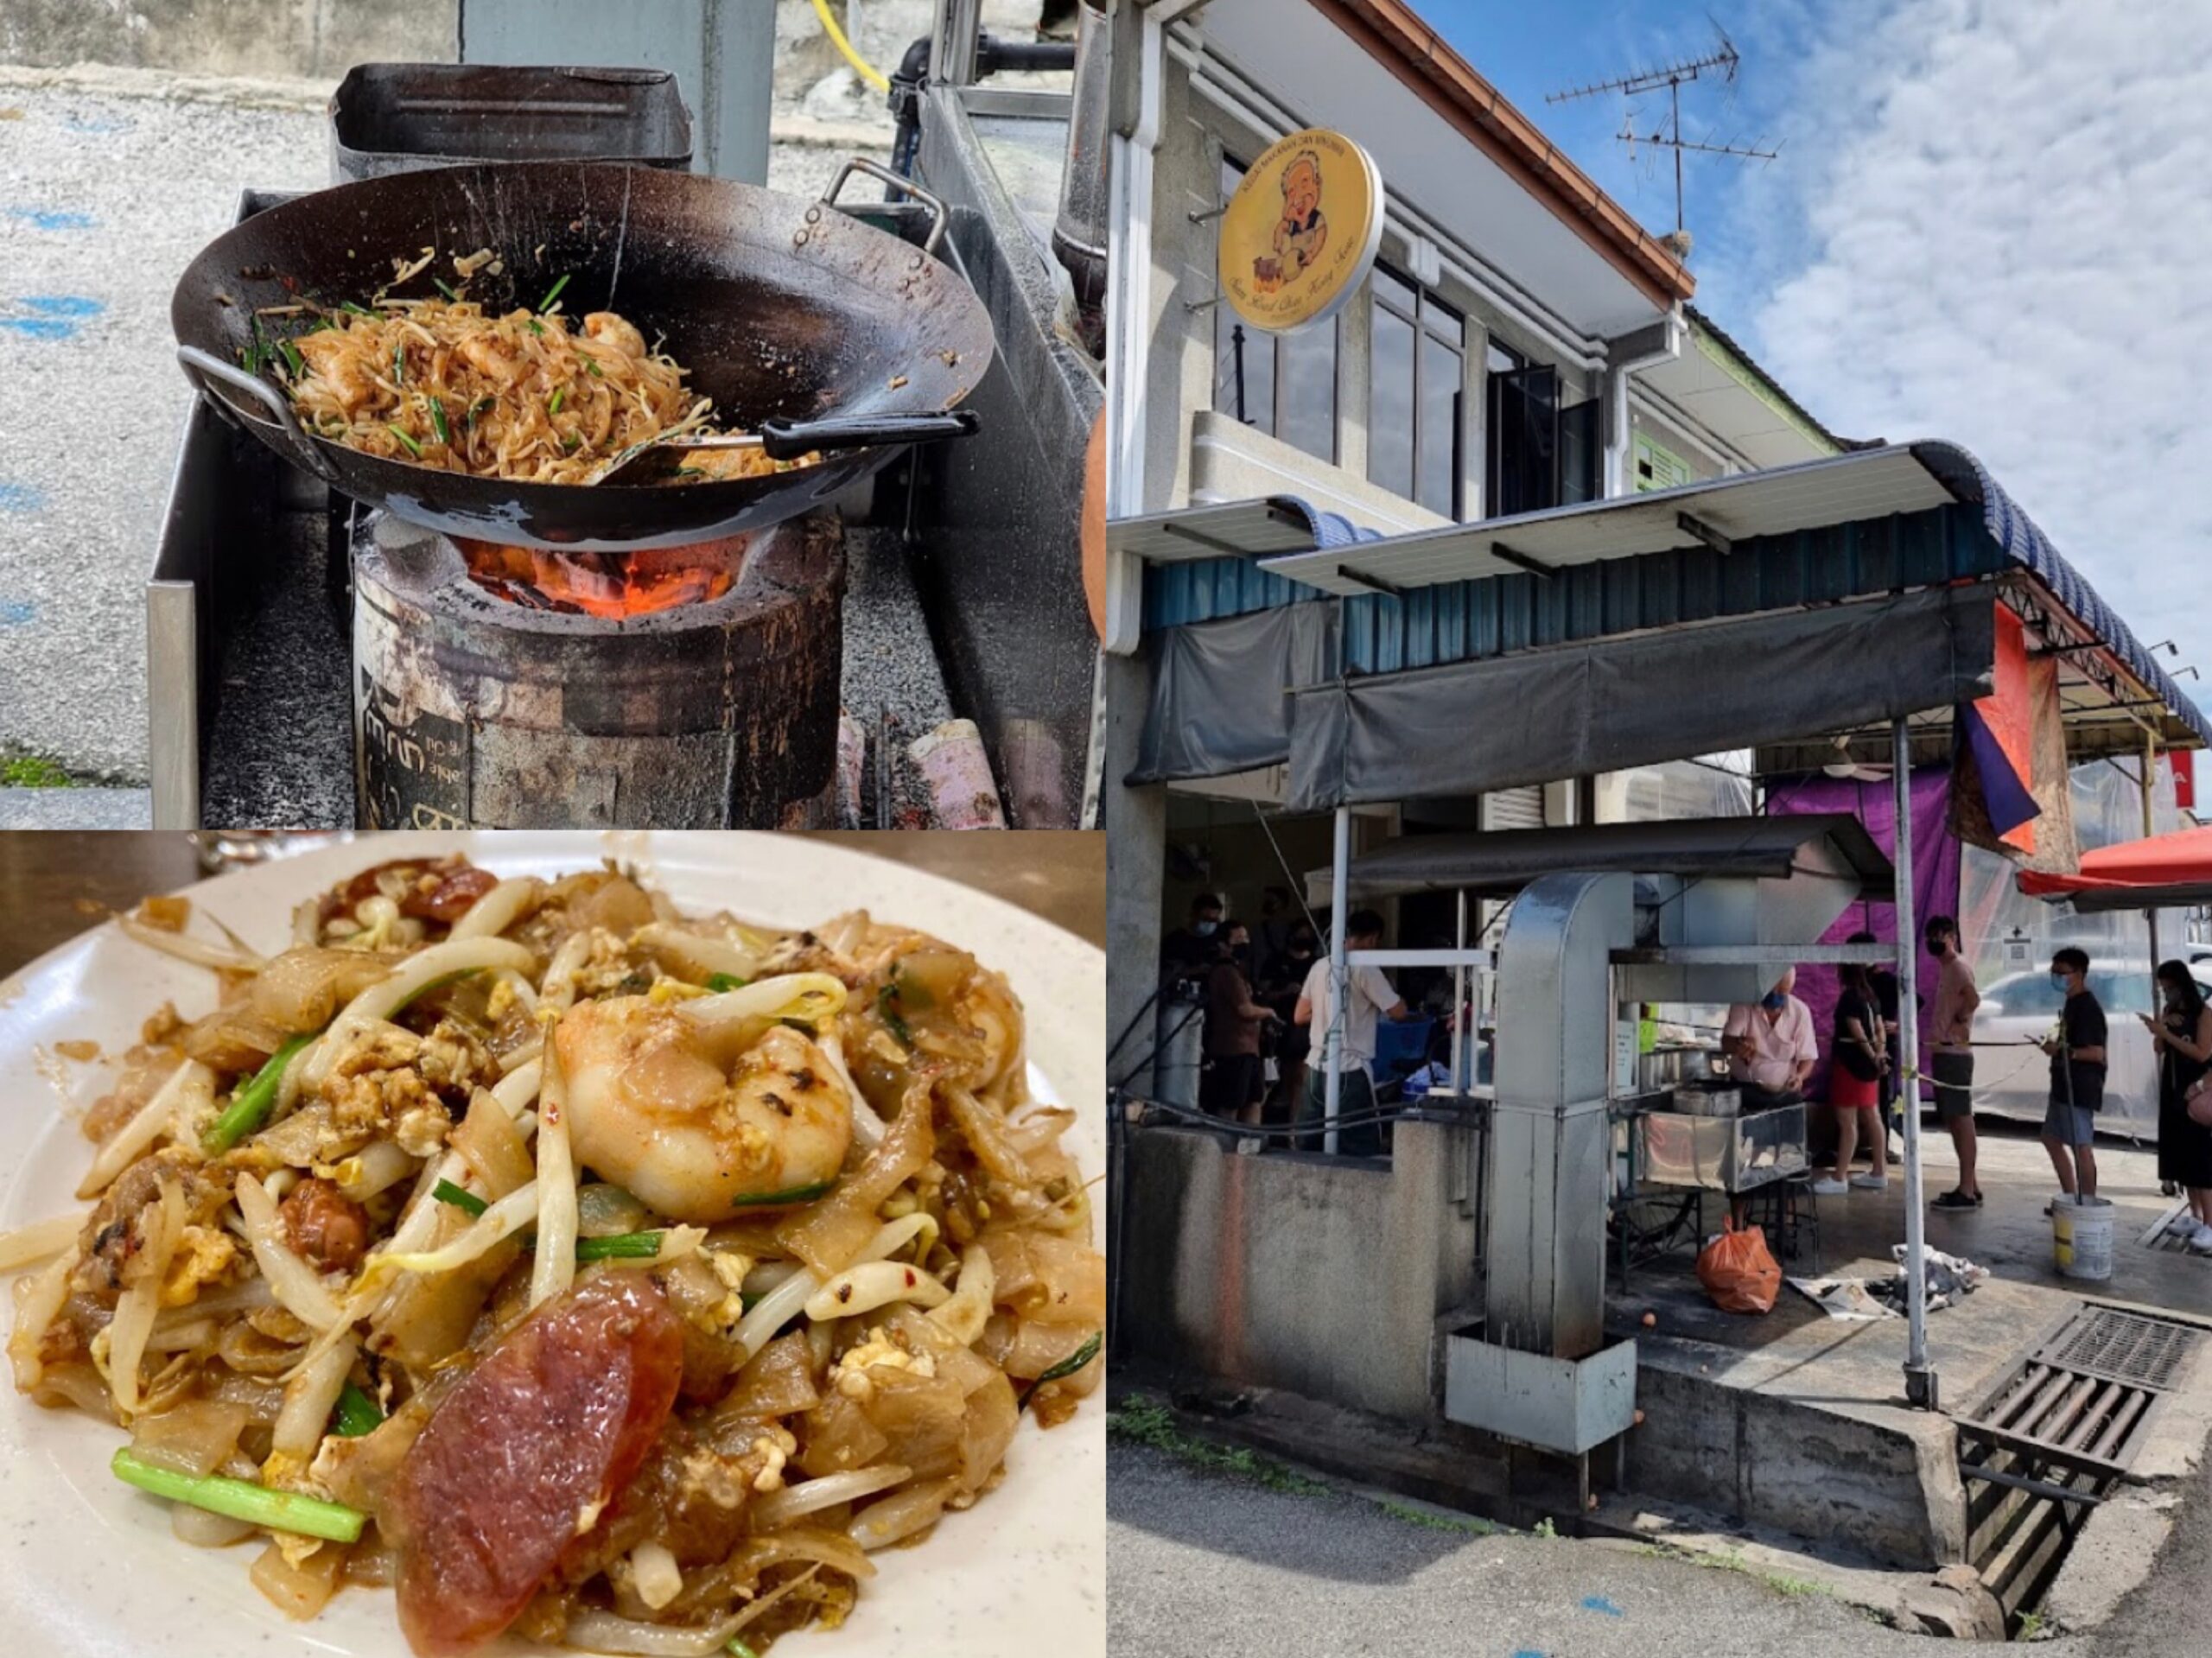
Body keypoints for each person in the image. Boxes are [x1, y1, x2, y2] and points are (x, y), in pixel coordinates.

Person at [1294, 909, 1405, 1157]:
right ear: (1373, 938)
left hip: (1315, 1067)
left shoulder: (1319, 966)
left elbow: (1299, 1016)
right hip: (1350, 1069)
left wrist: (1328, 1014)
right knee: (1359, 1147)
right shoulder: (1366, 969)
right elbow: (1398, 1012)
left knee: (1307, 1145)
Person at [2145, 960, 2212, 1253]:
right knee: (2181, 1153)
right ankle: (2195, 1215)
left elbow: (2201, 1053)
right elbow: (2160, 1049)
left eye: (2170, 988)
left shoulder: (2204, 1014)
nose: (2167, 993)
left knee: (2200, 1158)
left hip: (2195, 1089)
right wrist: (2160, 1030)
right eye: (2163, 989)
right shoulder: (2170, 1012)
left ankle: (2210, 1223)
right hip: (2172, 1087)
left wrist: (2169, 1034)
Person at [2037, 947, 2107, 1204]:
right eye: (2053, 972)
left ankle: (2087, 1202)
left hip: (2080, 1085)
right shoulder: (2071, 1003)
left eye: (2061, 972)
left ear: (2078, 974)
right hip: (2062, 1084)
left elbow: (2096, 1053)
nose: (2056, 977)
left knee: (2081, 1146)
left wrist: (2065, 1052)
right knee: (2051, 1138)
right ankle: (2070, 1196)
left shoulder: (2088, 1008)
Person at [1923, 915, 1983, 1210]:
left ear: (1952, 937)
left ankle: (1967, 1190)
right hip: (1943, 1053)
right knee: (1953, 1118)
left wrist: (1960, 1021)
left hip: (1954, 1054)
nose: (1935, 941)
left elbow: (1973, 999)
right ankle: (1970, 1181)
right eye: (1931, 935)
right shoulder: (1946, 969)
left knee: (1961, 1118)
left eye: (1940, 935)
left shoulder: (1958, 967)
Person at [1815, 963, 1890, 1197]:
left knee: (1848, 1122)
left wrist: (1871, 1055)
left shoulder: (1849, 998)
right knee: (1872, 1115)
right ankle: (1879, 1171)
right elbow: (1879, 1030)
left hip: (1849, 1067)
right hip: (1870, 1070)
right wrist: (1879, 1056)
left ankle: (1840, 1177)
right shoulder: (1871, 997)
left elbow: (1857, 1033)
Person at [1199, 921, 1274, 1127]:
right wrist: (1269, 1012)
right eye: (1238, 939)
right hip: (1232, 1050)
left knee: (1254, 1100)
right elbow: (1245, 1010)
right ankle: (1226, 1147)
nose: (1244, 943)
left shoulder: (1239, 970)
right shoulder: (1225, 972)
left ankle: (1249, 1144)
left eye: (1246, 938)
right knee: (1231, 1103)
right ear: (1224, 944)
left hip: (1250, 1050)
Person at [1721, 968, 1818, 1107]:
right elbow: (1726, 1043)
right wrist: (1739, 1045)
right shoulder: (1744, 1004)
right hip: (1745, 1089)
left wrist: (1800, 1076)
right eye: (1771, 991)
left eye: (1781, 993)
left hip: (1783, 1092)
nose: (1775, 996)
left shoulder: (1800, 1011)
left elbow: (1808, 1058)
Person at [1257, 927, 1319, 1121]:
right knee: (1271, 1080)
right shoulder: (1276, 961)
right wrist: (1285, 992)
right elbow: (1263, 992)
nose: (1303, 939)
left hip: (1306, 1028)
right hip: (1278, 1025)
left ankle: (1293, 1129)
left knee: (1300, 1078)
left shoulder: (1316, 964)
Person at [1161, 893, 1224, 986]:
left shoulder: (1219, 940)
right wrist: (1190, 971)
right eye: (1205, 919)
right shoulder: (1175, 940)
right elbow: (1163, 975)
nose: (1209, 924)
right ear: (1193, 915)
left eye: (1213, 921)